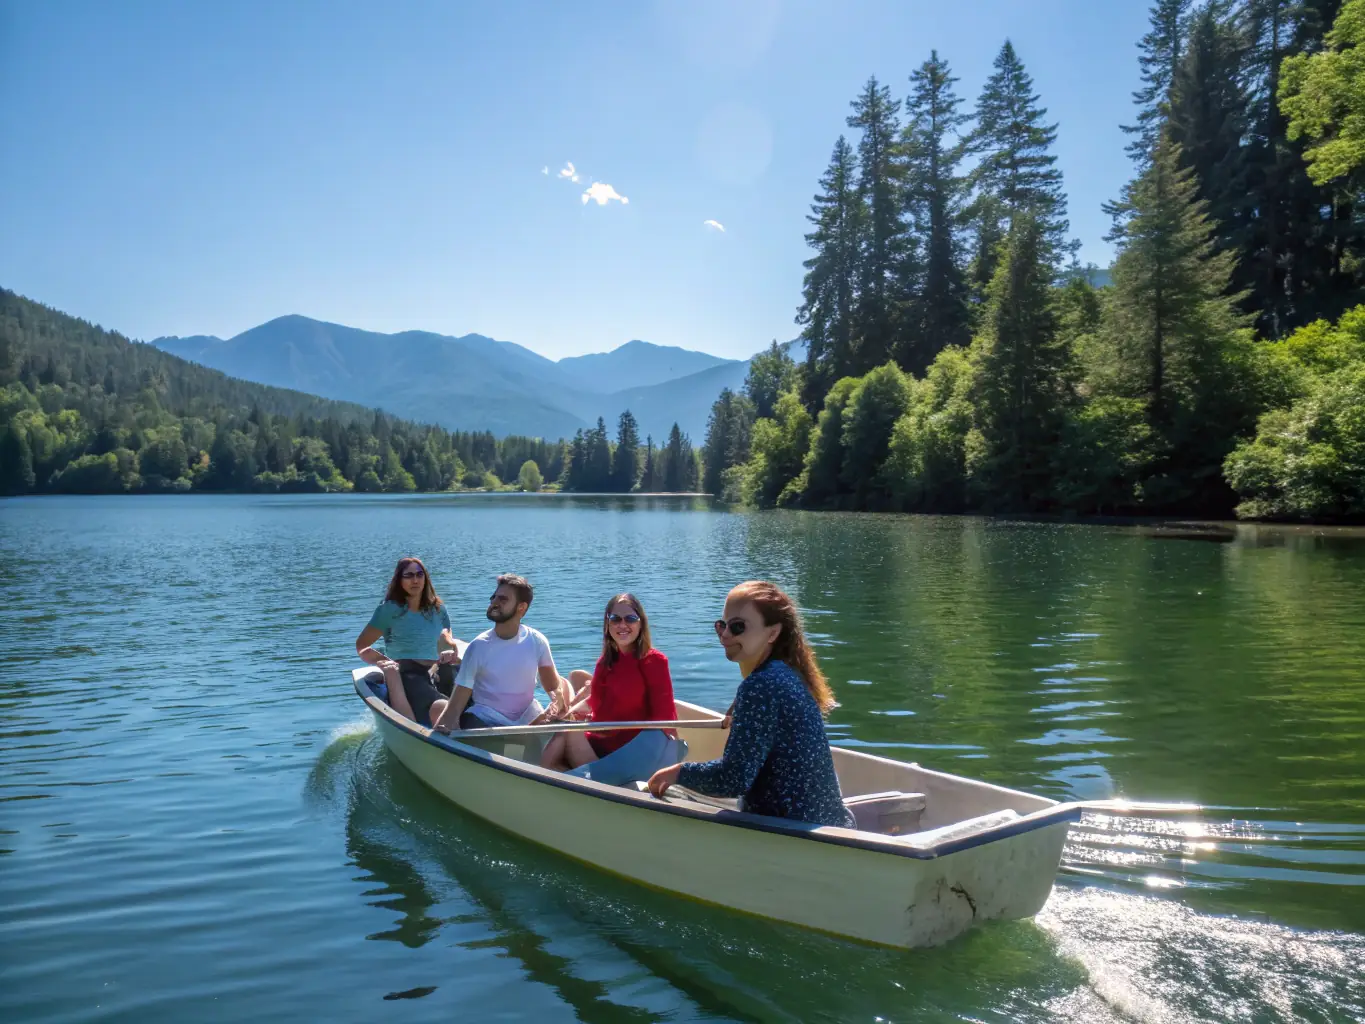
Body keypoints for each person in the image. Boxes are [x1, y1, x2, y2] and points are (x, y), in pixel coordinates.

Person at [647, 580, 855, 829]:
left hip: (790, 829)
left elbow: (733, 779)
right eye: (721, 625)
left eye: (738, 627)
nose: (725, 635)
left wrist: (678, 772)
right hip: (826, 821)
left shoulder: (760, 686)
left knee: (663, 792)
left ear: (773, 633)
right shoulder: (788, 674)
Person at [541, 593, 678, 777]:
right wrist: (566, 714)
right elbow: (594, 701)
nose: (622, 625)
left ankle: (539, 779)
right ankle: (549, 778)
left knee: (568, 731)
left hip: (632, 752)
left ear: (641, 623)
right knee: (565, 726)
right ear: (607, 624)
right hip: (602, 743)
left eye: (630, 618)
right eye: (615, 619)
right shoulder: (605, 662)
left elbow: (665, 718)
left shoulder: (653, 661)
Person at [432, 574, 572, 732]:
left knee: (560, 731)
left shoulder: (537, 641)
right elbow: (457, 702)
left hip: (527, 717)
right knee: (468, 724)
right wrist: (445, 725)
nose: (494, 602)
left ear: (522, 608)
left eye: (503, 599)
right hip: (485, 718)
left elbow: (553, 687)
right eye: (494, 597)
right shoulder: (478, 646)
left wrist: (556, 703)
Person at [355, 557, 462, 727]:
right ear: (399, 580)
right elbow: (362, 646)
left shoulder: (438, 609)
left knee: (467, 698)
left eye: (420, 574)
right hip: (408, 673)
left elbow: (448, 641)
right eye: (409, 575)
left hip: (437, 670)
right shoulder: (389, 609)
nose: (415, 580)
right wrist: (386, 664)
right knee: (441, 706)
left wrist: (450, 652)